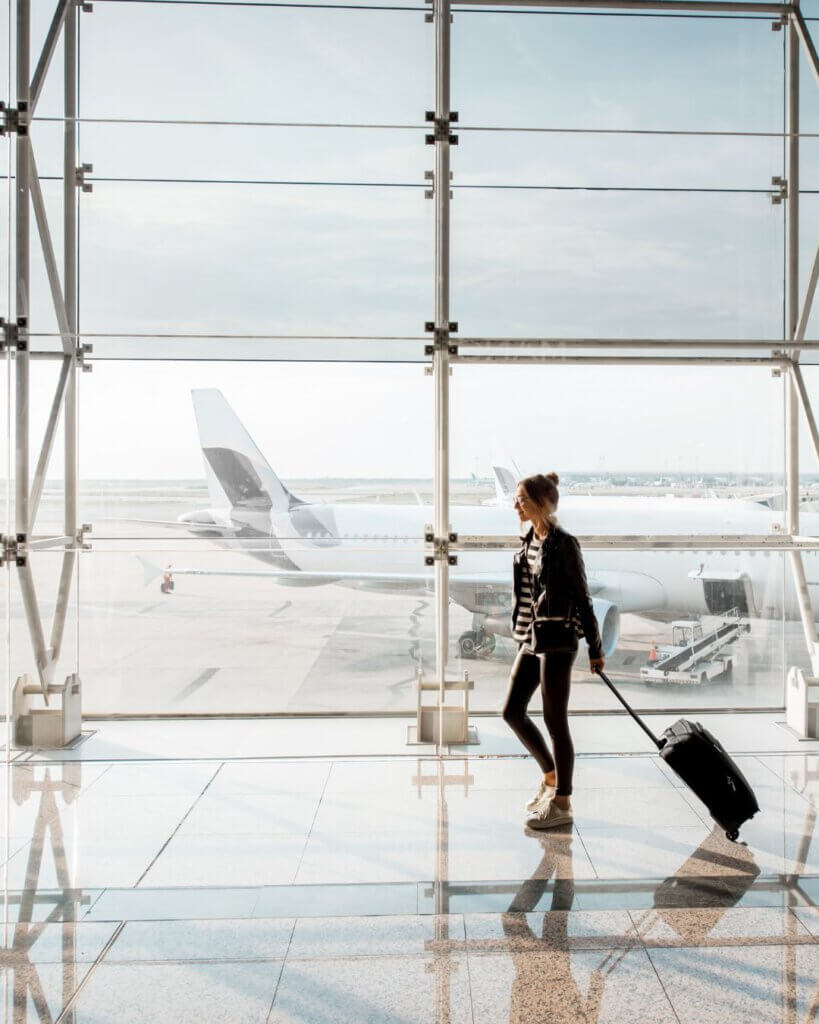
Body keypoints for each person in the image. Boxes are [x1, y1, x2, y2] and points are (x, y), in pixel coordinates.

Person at [502, 473, 604, 830]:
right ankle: (549, 776)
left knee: (554, 720)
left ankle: (562, 802)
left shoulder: (564, 544)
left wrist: (595, 647)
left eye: (522, 500)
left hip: (558, 639)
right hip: (532, 637)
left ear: (542, 504)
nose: (516, 505)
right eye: (516, 499)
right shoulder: (529, 539)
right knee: (512, 711)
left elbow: (582, 596)